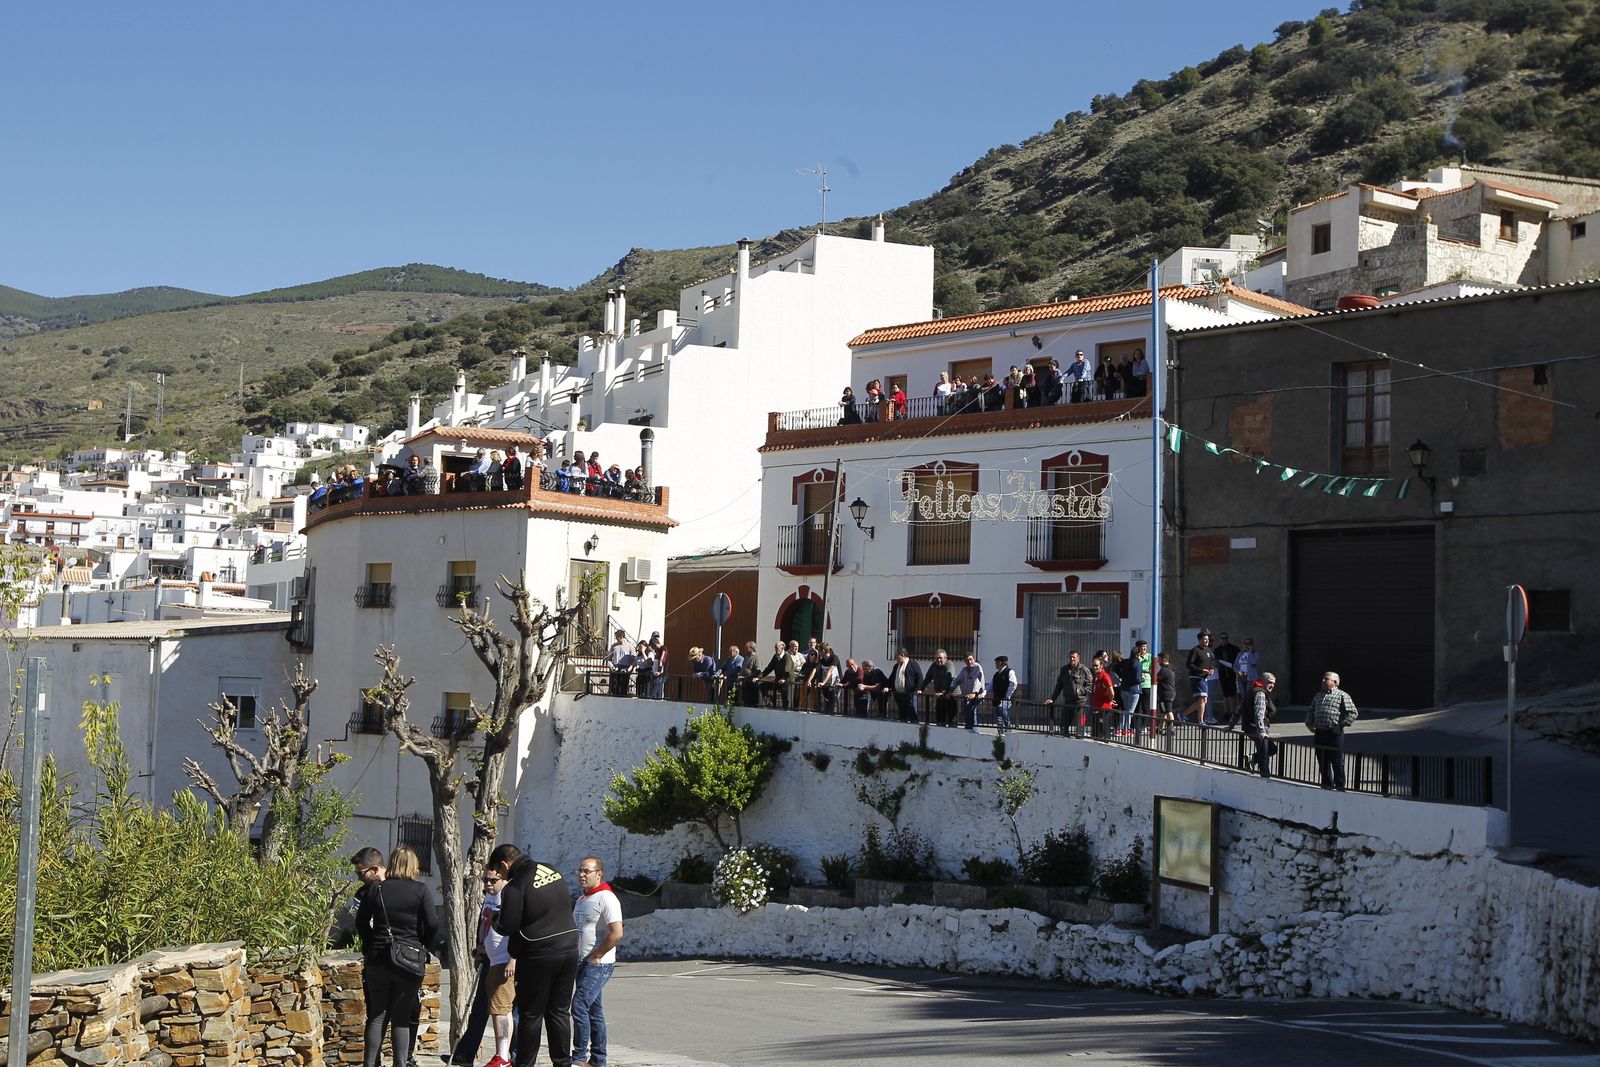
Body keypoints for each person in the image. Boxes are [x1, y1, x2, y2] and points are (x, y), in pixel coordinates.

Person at [489, 843, 578, 1067]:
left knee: (531, 1014)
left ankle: (525, 1064)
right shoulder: (552, 871)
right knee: (559, 1012)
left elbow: (507, 926)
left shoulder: (516, 886)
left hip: (539, 954)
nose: (502, 876)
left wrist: (494, 919)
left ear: (504, 864)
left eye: (500, 873)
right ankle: (563, 1063)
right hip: (569, 949)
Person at [352, 846, 438, 1067]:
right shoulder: (421, 890)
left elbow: (361, 923)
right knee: (401, 1018)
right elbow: (432, 924)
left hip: (379, 958)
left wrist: (372, 943)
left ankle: (370, 1064)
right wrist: (420, 944)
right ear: (414, 867)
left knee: (377, 1016)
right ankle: (400, 1063)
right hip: (408, 961)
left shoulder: (376, 890)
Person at [450, 865, 515, 1067]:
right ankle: (466, 1053)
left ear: (504, 879)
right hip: (489, 957)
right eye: (485, 880)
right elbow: (484, 923)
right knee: (480, 1007)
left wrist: (514, 958)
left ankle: (510, 1054)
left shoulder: (509, 898)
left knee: (506, 1009)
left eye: (492, 880)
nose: (487, 884)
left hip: (505, 960)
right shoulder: (489, 896)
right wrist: (480, 946)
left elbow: (515, 930)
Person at [571, 856, 624, 1067]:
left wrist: (597, 955)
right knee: (594, 1011)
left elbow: (617, 932)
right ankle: (598, 1060)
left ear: (599, 873)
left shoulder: (607, 898)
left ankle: (579, 1058)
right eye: (580, 871)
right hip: (581, 962)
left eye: (587, 871)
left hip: (598, 965)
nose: (582, 875)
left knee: (579, 1006)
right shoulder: (583, 898)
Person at [1306, 670, 1358, 790]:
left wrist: (1340, 725)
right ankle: (1326, 786)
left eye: (1326, 679)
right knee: (1323, 763)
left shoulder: (1342, 695)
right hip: (1319, 733)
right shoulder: (1318, 695)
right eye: (1323, 678)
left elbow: (1352, 713)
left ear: (1334, 682)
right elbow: (1310, 710)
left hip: (1334, 733)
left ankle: (1340, 787)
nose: (1323, 680)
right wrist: (1308, 723)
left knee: (1337, 762)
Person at [1044, 650, 1091, 735]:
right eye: (1070, 657)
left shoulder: (1084, 670)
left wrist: (1079, 691)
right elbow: (1059, 685)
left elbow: (1090, 686)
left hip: (1079, 702)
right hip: (1068, 701)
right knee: (1063, 727)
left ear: (1078, 658)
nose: (1072, 659)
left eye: (1074, 657)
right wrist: (1052, 699)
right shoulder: (1064, 669)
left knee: (1079, 729)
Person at [1245, 672, 1278, 779]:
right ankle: (1265, 777)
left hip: (1250, 727)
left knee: (1271, 749)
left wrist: (1230, 726)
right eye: (1270, 683)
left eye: (1273, 683)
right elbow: (1259, 714)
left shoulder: (1252, 690)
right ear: (1263, 682)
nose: (1272, 685)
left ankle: (1253, 758)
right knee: (1265, 754)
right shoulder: (1260, 693)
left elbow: (1238, 709)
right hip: (1257, 728)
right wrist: (1261, 731)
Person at [1182, 630, 1217, 725]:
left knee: (1204, 700)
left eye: (1207, 639)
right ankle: (1201, 721)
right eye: (1204, 639)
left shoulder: (1209, 651)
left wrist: (1211, 669)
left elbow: (1211, 663)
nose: (1206, 641)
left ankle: (1183, 714)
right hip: (1196, 677)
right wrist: (1201, 670)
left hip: (1204, 678)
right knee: (1202, 698)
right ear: (1199, 640)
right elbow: (1189, 664)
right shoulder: (1195, 650)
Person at [920, 649, 957, 727]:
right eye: (937, 658)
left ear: (945, 658)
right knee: (940, 717)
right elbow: (928, 678)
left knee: (952, 718)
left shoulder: (950, 664)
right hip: (940, 695)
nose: (939, 660)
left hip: (951, 695)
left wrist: (943, 691)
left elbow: (948, 678)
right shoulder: (934, 666)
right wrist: (921, 688)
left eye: (940, 658)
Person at [887, 648, 923, 723]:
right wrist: (887, 687)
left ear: (902, 655)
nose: (896, 659)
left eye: (897, 657)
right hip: (899, 695)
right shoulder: (896, 666)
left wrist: (918, 688)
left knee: (912, 714)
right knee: (902, 716)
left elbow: (920, 677)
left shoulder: (913, 664)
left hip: (909, 695)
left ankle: (915, 731)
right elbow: (892, 678)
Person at [1214, 632, 1242, 726]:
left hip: (1232, 674)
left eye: (1225, 638)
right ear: (1219, 639)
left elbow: (1237, 661)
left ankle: (1234, 713)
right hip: (1222, 674)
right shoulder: (1217, 650)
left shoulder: (1234, 648)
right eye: (1222, 638)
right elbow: (1216, 662)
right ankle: (1227, 712)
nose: (1223, 639)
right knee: (1225, 694)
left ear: (1228, 638)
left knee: (1232, 693)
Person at [757, 640, 795, 708]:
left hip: (787, 681)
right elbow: (769, 668)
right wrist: (759, 677)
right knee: (762, 686)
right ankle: (770, 702)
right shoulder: (775, 657)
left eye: (777, 648)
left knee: (786, 699)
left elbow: (787, 668)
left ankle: (786, 710)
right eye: (775, 648)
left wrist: (783, 679)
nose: (776, 650)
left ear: (782, 648)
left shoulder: (787, 656)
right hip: (778, 680)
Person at [954, 653, 986, 732]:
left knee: (972, 710)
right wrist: (951, 688)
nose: (969, 662)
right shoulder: (964, 670)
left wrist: (974, 693)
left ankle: (975, 730)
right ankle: (968, 728)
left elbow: (977, 681)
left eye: (970, 659)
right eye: (967, 660)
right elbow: (958, 679)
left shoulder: (978, 668)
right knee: (966, 711)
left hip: (977, 695)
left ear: (974, 659)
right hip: (967, 696)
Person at [1113, 649, 1142, 737]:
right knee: (1130, 711)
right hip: (1134, 689)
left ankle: (1120, 728)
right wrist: (1143, 679)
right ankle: (1126, 729)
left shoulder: (1125, 662)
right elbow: (1137, 679)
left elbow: (1115, 668)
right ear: (1138, 655)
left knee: (1125, 709)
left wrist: (1122, 675)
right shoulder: (1138, 664)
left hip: (1124, 688)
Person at [1090, 654, 1117, 740]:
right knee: (1095, 733)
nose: (1094, 668)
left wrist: (1109, 700)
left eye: (1096, 666)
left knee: (1103, 733)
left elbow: (1112, 692)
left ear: (1101, 666)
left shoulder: (1105, 677)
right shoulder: (1096, 677)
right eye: (1093, 666)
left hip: (1103, 710)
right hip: (1096, 708)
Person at [990, 655, 1017, 735]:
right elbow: (990, 685)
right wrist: (984, 692)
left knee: (1001, 708)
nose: (995, 664)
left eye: (996, 663)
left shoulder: (1009, 672)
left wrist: (1008, 695)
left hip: (1006, 698)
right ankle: (1001, 733)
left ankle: (1008, 727)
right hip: (997, 698)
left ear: (1000, 663)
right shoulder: (996, 675)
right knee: (999, 716)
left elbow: (1013, 684)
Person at [1154, 652, 1177, 736]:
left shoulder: (1164, 670)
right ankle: (1160, 728)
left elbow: (1155, 678)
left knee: (1168, 711)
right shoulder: (1171, 668)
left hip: (1166, 694)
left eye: (1159, 659)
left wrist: (1151, 672)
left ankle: (1171, 728)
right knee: (1164, 712)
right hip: (1169, 692)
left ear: (1163, 659)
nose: (1157, 661)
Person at [606, 631, 633, 697]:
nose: (616, 639)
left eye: (617, 637)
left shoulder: (630, 647)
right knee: (614, 687)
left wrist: (629, 669)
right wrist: (611, 666)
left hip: (625, 669)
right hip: (615, 668)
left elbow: (633, 660)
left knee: (623, 687)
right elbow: (609, 658)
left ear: (621, 637)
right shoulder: (614, 646)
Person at [647, 633, 668, 700]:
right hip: (656, 673)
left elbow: (662, 660)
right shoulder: (659, 650)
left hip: (661, 674)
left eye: (653, 647)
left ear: (655, 645)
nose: (653, 649)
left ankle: (653, 700)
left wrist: (659, 670)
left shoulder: (663, 649)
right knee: (657, 692)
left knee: (654, 691)